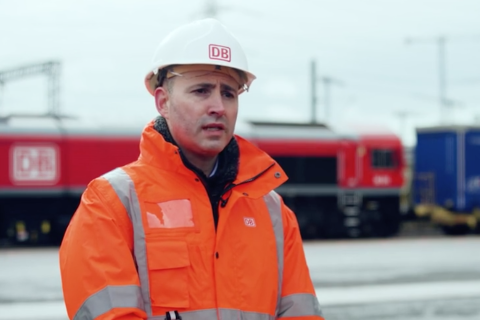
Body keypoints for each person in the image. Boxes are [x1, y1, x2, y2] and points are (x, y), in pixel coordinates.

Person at [59, 18, 324, 320]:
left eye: (229, 93)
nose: (218, 107)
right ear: (163, 101)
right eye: (201, 91)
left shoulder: (273, 211)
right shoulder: (110, 204)